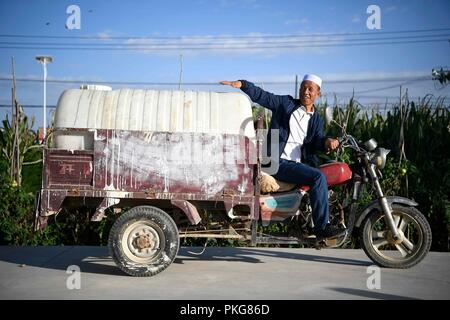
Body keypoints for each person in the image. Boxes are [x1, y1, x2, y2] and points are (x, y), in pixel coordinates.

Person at [220, 75, 345, 238]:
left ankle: (307, 220)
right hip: (277, 162)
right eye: (303, 88)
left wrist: (327, 142)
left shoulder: (317, 119)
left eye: (310, 89)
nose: (305, 92)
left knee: (325, 169)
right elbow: (263, 96)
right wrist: (243, 84)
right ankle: (322, 228)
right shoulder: (285, 104)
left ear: (318, 94)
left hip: (299, 164)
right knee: (318, 177)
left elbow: (316, 142)